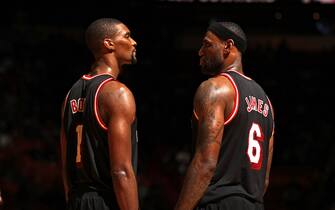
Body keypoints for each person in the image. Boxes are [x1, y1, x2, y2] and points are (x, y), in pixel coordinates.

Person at [174, 21, 275, 210]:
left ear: (228, 46)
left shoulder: (215, 88)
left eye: (207, 44)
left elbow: (205, 163)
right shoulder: (266, 102)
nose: (200, 52)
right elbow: (265, 179)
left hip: (217, 202)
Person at [60, 18, 139, 210]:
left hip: (77, 199)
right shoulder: (117, 93)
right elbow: (121, 171)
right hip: (106, 200)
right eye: (127, 36)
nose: (134, 42)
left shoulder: (70, 94)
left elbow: (65, 167)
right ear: (108, 43)